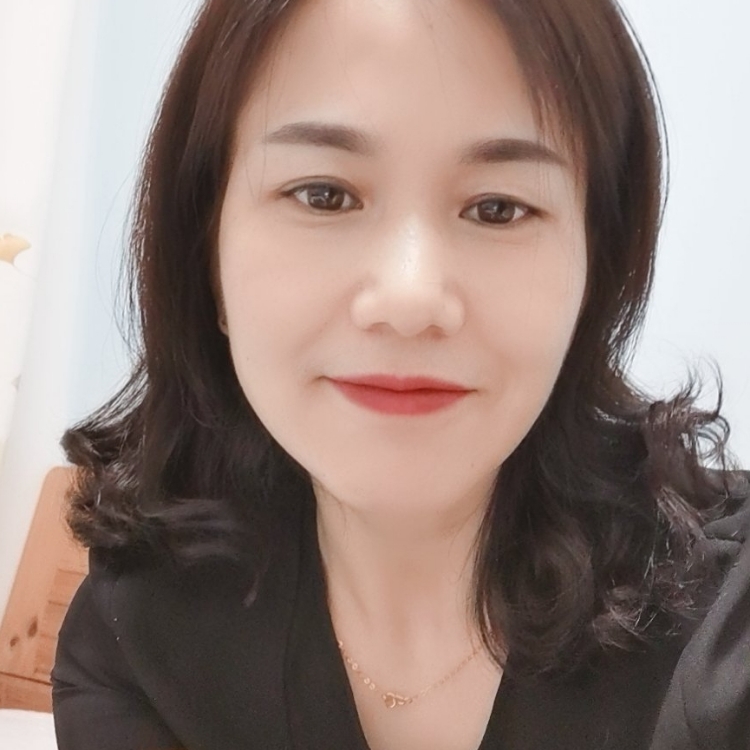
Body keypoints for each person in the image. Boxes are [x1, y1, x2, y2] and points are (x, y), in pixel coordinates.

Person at [51, 0, 749, 748]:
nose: (410, 300)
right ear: (206, 257)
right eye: (323, 194)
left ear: (594, 271)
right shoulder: (140, 642)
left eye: (497, 208)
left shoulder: (723, 636)